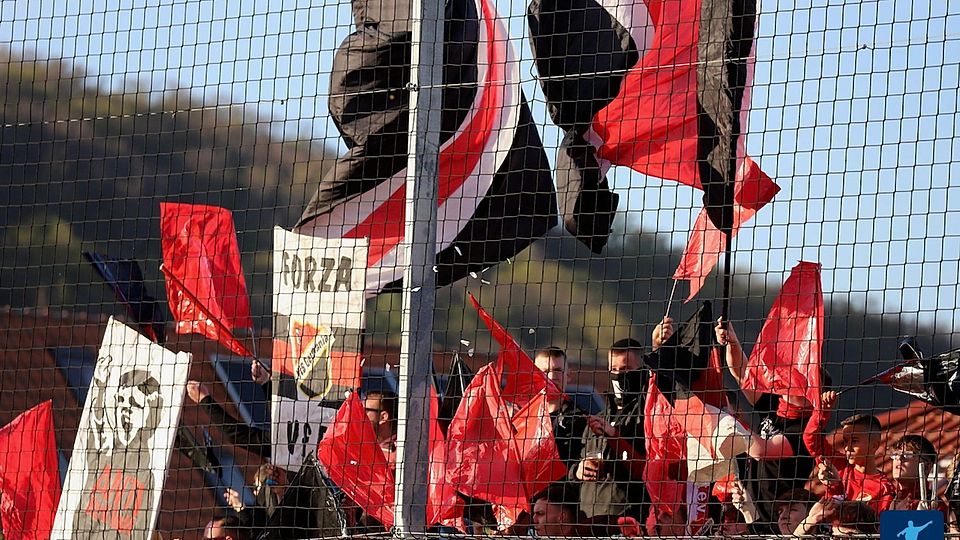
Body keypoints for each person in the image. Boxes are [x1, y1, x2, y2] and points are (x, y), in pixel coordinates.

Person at [717, 319, 826, 530]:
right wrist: (732, 342)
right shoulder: (775, 405)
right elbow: (742, 374)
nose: (795, 382)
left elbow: (761, 450)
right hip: (751, 512)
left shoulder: (805, 429)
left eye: (808, 382)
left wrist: (723, 421)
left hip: (778, 519)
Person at [574, 317, 673, 525]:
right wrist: (578, 470)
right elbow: (574, 469)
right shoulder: (598, 417)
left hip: (629, 518)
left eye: (626, 369)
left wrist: (659, 349)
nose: (619, 375)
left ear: (641, 369)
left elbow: (664, 383)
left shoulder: (649, 409)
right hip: (589, 521)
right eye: (614, 369)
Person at [75, 366, 165, 539]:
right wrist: (100, 388)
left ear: (150, 416)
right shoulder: (103, 454)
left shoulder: (147, 477)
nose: (125, 408)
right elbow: (95, 426)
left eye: (135, 404)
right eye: (121, 400)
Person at [816, 414, 896, 514]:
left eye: (854, 441)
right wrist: (822, 409)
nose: (847, 448)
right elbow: (812, 440)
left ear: (874, 446)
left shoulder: (884, 489)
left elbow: (878, 526)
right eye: (845, 441)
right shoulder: (839, 466)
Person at [533, 347, 589, 470]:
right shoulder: (524, 419)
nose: (552, 377)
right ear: (534, 377)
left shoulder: (580, 420)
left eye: (558, 370)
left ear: (568, 375)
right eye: (545, 371)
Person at [889, 435, 940, 511]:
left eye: (908, 454)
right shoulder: (885, 498)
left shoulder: (934, 506)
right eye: (895, 454)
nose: (899, 458)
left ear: (927, 467)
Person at [363, 390, 398, 463]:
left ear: (383, 417)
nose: (360, 415)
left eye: (365, 411)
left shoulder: (402, 449)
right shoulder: (359, 443)